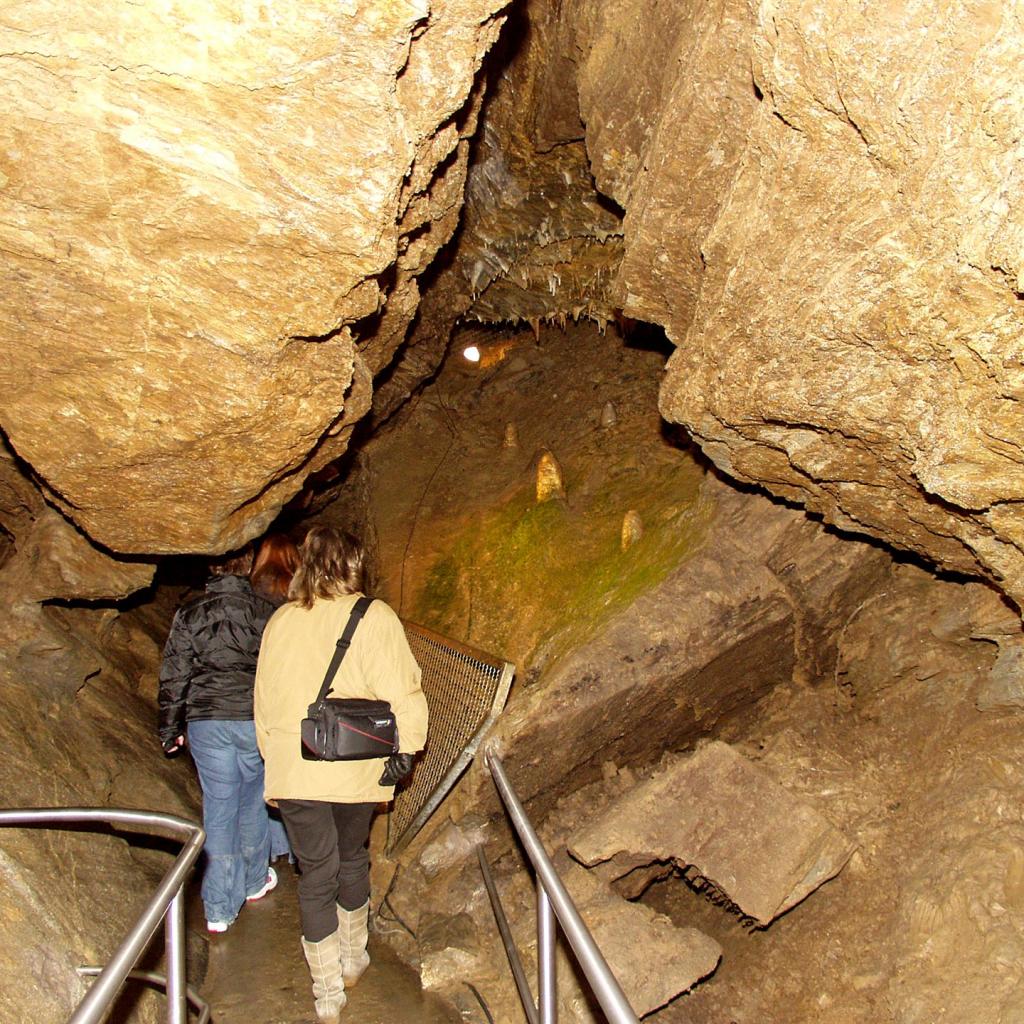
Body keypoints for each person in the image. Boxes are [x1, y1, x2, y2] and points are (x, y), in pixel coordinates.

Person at [254, 526, 428, 1024]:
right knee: (352, 856)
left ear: (305, 566)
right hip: (354, 768)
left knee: (316, 874)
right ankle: (353, 958)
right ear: (353, 564)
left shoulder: (280, 622)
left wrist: (275, 761)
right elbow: (404, 690)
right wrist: (408, 750)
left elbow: (263, 702)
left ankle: (326, 992)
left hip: (295, 767)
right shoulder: (374, 616)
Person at [158, 549, 279, 934]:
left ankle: (219, 908)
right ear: (250, 566)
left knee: (219, 808)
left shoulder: (192, 611)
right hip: (252, 719)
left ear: (212, 566)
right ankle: (254, 880)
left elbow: (175, 673)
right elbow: (280, 670)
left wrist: (169, 727)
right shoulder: (268, 611)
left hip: (207, 721)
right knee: (252, 802)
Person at [251, 532, 302, 863]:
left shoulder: (250, 596)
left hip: (255, 694)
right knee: (294, 775)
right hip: (292, 694)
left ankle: (272, 849)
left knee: (261, 777)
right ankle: (300, 851)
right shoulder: (299, 601)